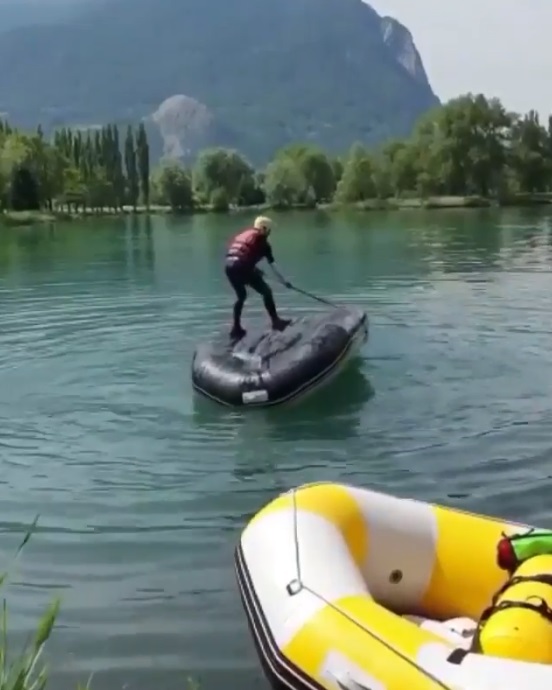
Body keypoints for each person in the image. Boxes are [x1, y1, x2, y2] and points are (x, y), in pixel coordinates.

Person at [225, 216, 292, 340]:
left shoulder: (244, 234)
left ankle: (235, 328)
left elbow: (239, 254)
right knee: (267, 292)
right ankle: (276, 322)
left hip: (229, 267)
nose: (269, 233)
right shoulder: (263, 242)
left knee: (241, 296)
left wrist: (253, 269)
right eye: (269, 230)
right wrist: (284, 281)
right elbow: (273, 265)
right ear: (264, 229)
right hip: (242, 267)